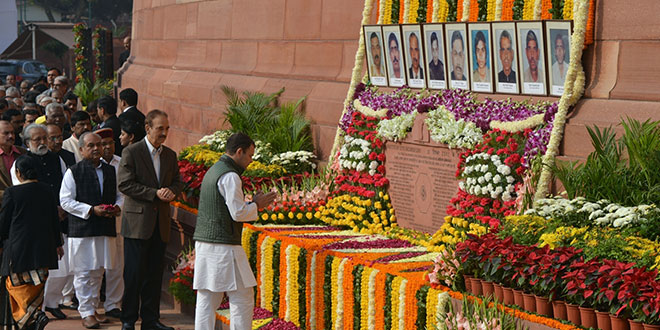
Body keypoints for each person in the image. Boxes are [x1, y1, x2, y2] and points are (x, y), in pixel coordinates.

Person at [193, 133, 276, 330]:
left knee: (208, 299)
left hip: (208, 244)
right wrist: (257, 204)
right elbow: (238, 213)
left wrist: (252, 204)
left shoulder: (215, 169)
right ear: (239, 152)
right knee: (242, 297)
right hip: (224, 246)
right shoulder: (230, 176)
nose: (250, 160)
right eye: (249, 155)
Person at [117, 110, 183, 330]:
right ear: (147, 128)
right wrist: (154, 193)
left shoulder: (170, 155)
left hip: (161, 224)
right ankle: (128, 319)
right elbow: (125, 184)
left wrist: (171, 192)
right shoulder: (132, 152)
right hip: (137, 224)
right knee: (134, 274)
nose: (164, 133)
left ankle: (151, 320)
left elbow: (176, 182)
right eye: (160, 128)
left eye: (167, 128)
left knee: (155, 274)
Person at [60, 132, 122, 329]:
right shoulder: (74, 171)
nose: (97, 149)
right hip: (83, 229)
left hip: (105, 227)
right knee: (84, 272)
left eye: (99, 145)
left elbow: (120, 194)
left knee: (99, 271)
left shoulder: (111, 170)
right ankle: (86, 311)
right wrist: (90, 210)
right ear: (81, 150)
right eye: (91, 146)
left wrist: (118, 206)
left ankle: (93, 309)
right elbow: (65, 201)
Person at [11, 124, 70, 322]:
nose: (44, 143)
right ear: (27, 143)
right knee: (38, 271)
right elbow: (20, 193)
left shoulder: (57, 159)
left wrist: (62, 207)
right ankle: (38, 309)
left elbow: (65, 185)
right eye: (38, 140)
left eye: (45, 138)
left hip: (58, 220)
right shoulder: (21, 163)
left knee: (62, 268)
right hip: (32, 225)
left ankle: (53, 303)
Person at [0, 155, 63, 330]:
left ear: (18, 173)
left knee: (15, 286)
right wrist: (58, 244)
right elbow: (54, 220)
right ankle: (33, 318)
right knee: (35, 288)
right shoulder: (47, 190)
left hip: (18, 251)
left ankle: (35, 315)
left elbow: (3, 223)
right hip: (44, 249)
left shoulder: (12, 193)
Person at [96, 128, 124, 319]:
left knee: (117, 265)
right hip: (96, 222)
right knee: (96, 266)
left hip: (118, 221)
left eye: (110, 143)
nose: (107, 147)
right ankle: (91, 306)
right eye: (102, 144)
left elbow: (125, 191)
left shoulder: (121, 163)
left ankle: (113, 304)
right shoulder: (89, 165)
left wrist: (118, 206)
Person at [0, 121, 27, 198]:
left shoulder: (23, 153)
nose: (11, 136)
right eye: (6, 133)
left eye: (12, 133)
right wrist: (11, 195)